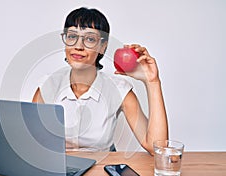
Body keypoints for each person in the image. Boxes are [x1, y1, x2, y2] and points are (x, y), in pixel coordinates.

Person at [32, 7, 168, 154]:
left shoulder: (119, 90)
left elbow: (158, 149)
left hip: (100, 170)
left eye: (90, 39)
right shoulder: (47, 86)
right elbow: (30, 142)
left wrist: (152, 82)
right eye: (72, 36)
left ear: (102, 47)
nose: (78, 46)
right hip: (58, 170)